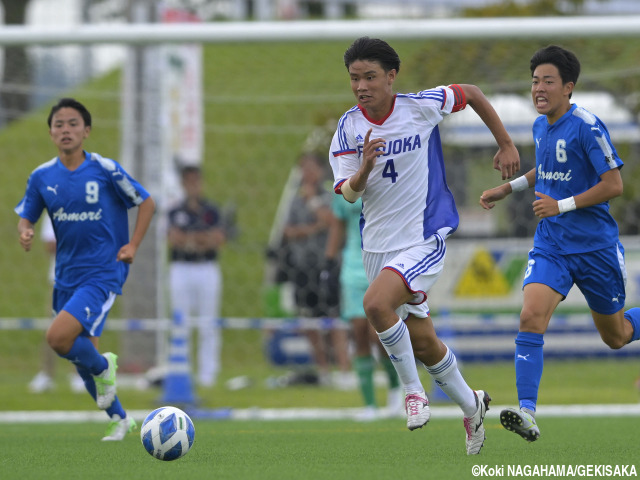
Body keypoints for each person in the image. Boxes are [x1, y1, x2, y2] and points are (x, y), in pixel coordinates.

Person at [329, 37, 520, 455]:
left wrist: (505, 142)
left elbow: (471, 93)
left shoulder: (421, 105)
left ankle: (412, 393)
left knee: (376, 305)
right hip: (377, 246)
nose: (361, 86)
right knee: (425, 344)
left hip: (424, 236)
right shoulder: (347, 126)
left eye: (370, 77)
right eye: (354, 79)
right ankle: (473, 406)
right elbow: (347, 193)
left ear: (392, 76)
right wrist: (364, 168)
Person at [479, 45, 640, 442]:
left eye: (547, 81)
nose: (539, 88)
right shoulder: (539, 126)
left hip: (595, 248)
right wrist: (509, 187)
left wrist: (562, 205)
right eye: (535, 81)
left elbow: (614, 184)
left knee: (616, 336)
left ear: (568, 87)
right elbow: (547, 169)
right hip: (551, 245)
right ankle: (528, 412)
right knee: (531, 316)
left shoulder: (587, 125)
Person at [15, 97, 156, 441]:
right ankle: (120, 420)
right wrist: (26, 231)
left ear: (87, 131)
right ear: (50, 133)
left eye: (73, 123)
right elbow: (27, 214)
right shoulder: (42, 176)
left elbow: (147, 202)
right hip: (65, 276)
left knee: (57, 338)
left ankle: (106, 367)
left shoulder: (105, 169)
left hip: (102, 273)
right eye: (59, 124)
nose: (66, 130)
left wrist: (133, 245)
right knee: (81, 359)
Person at [324, 194, 403, 419]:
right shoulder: (342, 182)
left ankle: (396, 390)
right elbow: (338, 224)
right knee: (358, 333)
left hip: (381, 262)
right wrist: (328, 262)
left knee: (379, 334)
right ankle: (370, 405)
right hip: (352, 266)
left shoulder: (384, 175)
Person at [282, 152, 351, 386]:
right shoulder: (293, 200)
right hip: (302, 265)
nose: (307, 173)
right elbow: (288, 232)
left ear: (321, 170)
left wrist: (313, 203)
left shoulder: (330, 195)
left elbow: (333, 222)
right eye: (303, 168)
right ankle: (323, 371)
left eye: (311, 168)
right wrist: (314, 227)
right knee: (309, 321)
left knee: (334, 319)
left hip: (327, 265)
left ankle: (344, 370)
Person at [167, 165, 226, 388]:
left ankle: (207, 373)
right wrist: (203, 239)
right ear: (183, 184)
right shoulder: (175, 210)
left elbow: (218, 238)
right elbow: (173, 238)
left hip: (206, 268)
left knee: (208, 322)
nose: (193, 185)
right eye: (189, 181)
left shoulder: (211, 210)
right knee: (180, 320)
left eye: (196, 181)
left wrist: (191, 240)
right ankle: (180, 369)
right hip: (181, 268)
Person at [28, 215, 85, 394]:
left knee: (79, 327)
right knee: (53, 327)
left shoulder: (88, 209)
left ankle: (78, 374)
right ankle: (46, 374)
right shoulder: (54, 210)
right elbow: (50, 245)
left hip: (84, 278)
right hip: (59, 278)